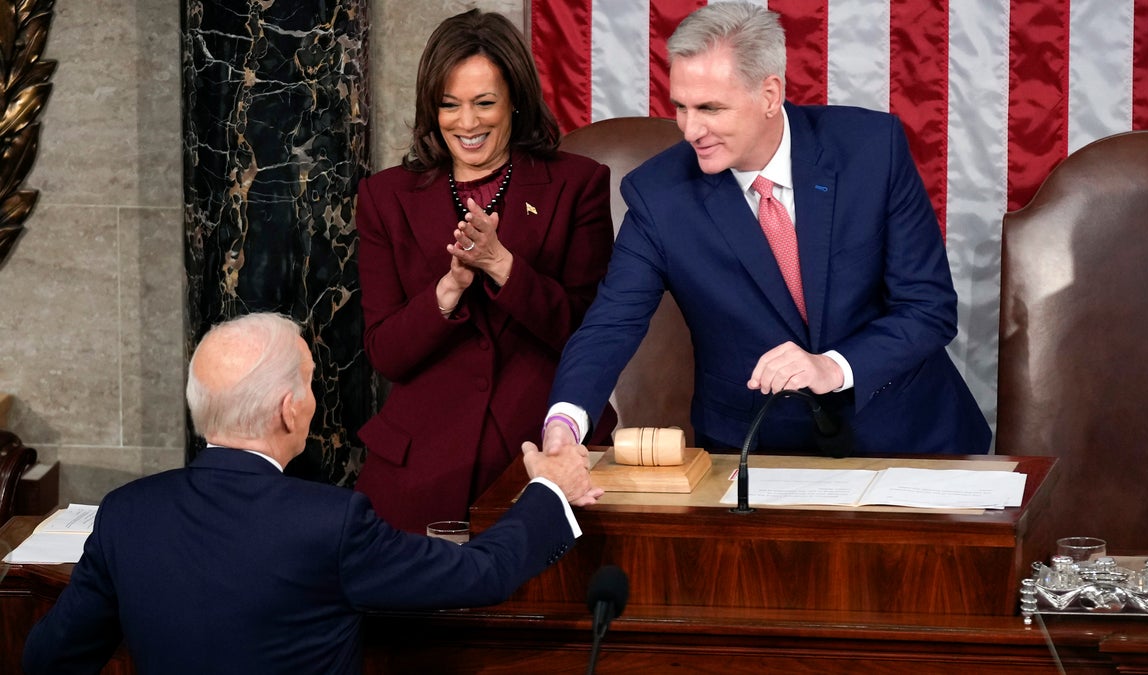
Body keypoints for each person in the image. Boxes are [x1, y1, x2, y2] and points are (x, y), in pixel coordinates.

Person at [22, 312, 601, 675]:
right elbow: (483, 574)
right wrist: (550, 487)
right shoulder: (331, 523)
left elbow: (49, 659)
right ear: (289, 408)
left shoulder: (128, 512)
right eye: (308, 381)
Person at [542, 2, 990, 459]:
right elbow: (611, 323)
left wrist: (832, 367)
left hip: (908, 434)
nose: (690, 129)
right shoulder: (659, 195)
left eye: (710, 108)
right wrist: (565, 419)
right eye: (681, 106)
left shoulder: (873, 150)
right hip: (757, 451)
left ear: (770, 94)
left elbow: (928, 308)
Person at [353, 9, 615, 533]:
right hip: (418, 470)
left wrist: (503, 266)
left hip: (540, 459)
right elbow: (386, 354)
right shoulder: (384, 197)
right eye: (449, 105)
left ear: (515, 100)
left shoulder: (577, 185)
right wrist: (448, 289)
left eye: (484, 103)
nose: (466, 123)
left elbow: (592, 336)